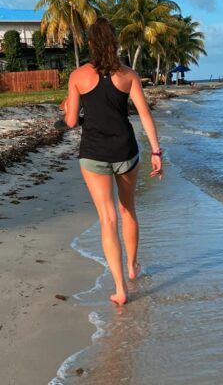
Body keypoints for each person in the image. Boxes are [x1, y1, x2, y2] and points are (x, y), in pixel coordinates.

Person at [61, 17, 163, 306]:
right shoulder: (128, 75)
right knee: (128, 209)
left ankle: (120, 289)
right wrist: (156, 151)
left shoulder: (77, 76)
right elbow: (145, 115)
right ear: (115, 43)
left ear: (91, 44)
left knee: (108, 219)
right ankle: (132, 267)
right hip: (125, 151)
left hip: (93, 155)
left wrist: (69, 107)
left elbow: (70, 122)